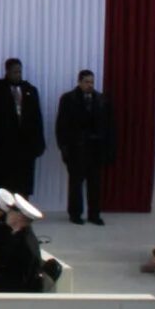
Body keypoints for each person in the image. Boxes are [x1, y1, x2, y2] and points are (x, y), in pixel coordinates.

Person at [54, 69, 113, 226]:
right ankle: (75, 214)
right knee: (76, 184)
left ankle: (94, 214)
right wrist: (64, 148)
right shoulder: (68, 99)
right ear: (79, 82)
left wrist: (107, 148)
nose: (90, 85)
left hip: (95, 150)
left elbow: (108, 126)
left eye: (92, 82)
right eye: (86, 82)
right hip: (76, 149)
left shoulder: (101, 99)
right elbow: (61, 125)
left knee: (95, 184)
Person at [0, 59, 44, 200]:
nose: (18, 75)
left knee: (23, 183)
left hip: (25, 146)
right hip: (3, 145)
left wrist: (39, 143)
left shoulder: (29, 90)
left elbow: (37, 118)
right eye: (15, 72)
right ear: (7, 72)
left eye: (20, 72)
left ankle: (21, 208)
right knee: (3, 182)